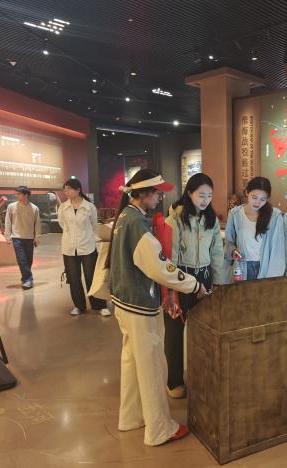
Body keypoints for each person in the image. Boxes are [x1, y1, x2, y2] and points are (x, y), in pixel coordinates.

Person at [107, 168, 208, 446]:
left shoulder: (125, 217)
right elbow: (160, 267)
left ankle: (131, 417)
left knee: (132, 363)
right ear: (142, 193)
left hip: (124, 302)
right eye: (156, 193)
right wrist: (193, 285)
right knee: (152, 367)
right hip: (139, 304)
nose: (160, 197)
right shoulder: (137, 224)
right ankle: (159, 428)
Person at [164, 173, 223, 399]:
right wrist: (171, 290)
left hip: (204, 279)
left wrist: (217, 281)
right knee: (174, 332)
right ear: (189, 193)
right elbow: (170, 256)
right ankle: (174, 381)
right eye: (201, 195)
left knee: (203, 331)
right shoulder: (176, 218)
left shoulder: (211, 219)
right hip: (181, 279)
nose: (205, 200)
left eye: (209, 195)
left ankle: (201, 377)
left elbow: (216, 252)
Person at [57, 178, 110, 317]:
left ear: (78, 190)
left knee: (91, 277)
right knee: (73, 278)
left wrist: (89, 238)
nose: (66, 192)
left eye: (69, 189)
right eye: (65, 189)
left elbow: (94, 226)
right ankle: (79, 306)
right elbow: (62, 225)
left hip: (87, 247)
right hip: (69, 248)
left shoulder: (89, 207)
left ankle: (99, 305)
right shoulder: (63, 207)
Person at [223, 176, 285, 282]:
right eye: (254, 197)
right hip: (242, 267)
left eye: (262, 199)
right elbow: (229, 242)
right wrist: (233, 251)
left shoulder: (274, 216)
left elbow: (278, 251)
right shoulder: (235, 214)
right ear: (247, 192)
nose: (257, 202)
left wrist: (274, 278)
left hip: (265, 268)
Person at [4, 185, 40, 290]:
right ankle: (28, 280)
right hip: (17, 237)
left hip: (29, 238)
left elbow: (37, 224)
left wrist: (37, 237)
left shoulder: (34, 208)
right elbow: (8, 221)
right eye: (16, 193)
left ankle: (26, 278)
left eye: (18, 194)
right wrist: (7, 235)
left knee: (29, 260)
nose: (16, 195)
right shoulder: (11, 206)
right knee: (22, 260)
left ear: (26, 195)